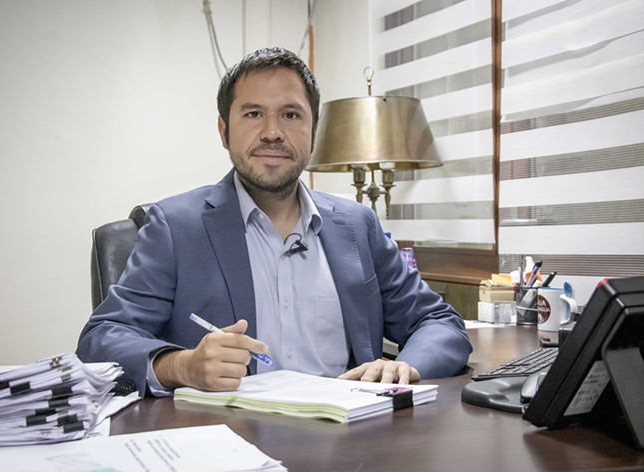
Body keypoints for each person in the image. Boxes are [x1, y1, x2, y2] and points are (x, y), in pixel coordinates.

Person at [76, 47, 472, 396]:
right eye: (253, 114)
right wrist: (181, 366)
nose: (272, 133)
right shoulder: (175, 227)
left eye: (290, 114)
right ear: (224, 131)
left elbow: (438, 322)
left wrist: (407, 367)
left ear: (313, 131)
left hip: (348, 435)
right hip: (227, 436)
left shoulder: (357, 225)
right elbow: (101, 339)